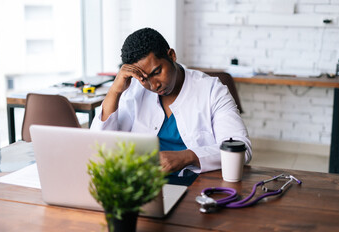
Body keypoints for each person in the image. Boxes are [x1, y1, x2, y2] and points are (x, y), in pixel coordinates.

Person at [90, 27, 252, 174]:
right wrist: (115, 91)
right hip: (145, 184)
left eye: (157, 72)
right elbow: (100, 148)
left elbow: (240, 148)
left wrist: (187, 157)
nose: (153, 85)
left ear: (171, 56)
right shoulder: (134, 91)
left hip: (199, 185)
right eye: (144, 79)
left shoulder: (211, 90)